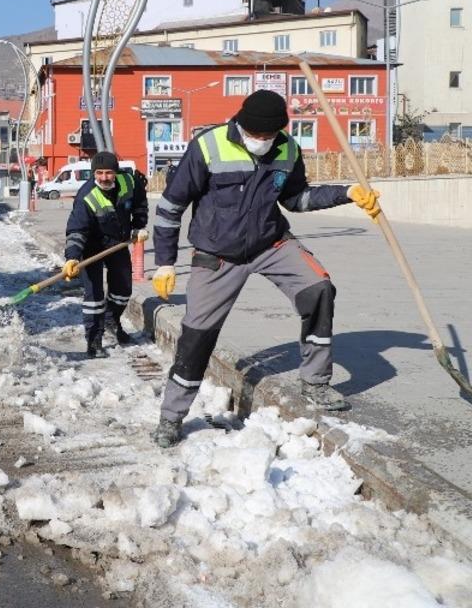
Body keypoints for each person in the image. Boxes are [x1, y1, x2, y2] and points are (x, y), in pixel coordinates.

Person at [149, 90, 381, 448]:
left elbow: (296, 198)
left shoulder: (287, 149)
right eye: (255, 134)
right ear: (241, 124)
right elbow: (170, 206)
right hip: (217, 254)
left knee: (318, 288)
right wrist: (164, 262)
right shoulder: (208, 146)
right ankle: (171, 417)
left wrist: (346, 192)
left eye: (267, 136)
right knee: (197, 334)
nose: (260, 142)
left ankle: (315, 382)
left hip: (270, 243)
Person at [63, 150, 150, 358]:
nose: (104, 177)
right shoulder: (87, 196)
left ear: (116, 172)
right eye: (99, 173)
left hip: (117, 244)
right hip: (90, 248)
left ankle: (112, 320)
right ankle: (94, 341)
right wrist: (72, 257)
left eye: (108, 173)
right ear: (94, 174)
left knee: (123, 290)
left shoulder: (129, 182)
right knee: (94, 297)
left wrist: (138, 226)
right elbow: (77, 229)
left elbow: (140, 204)